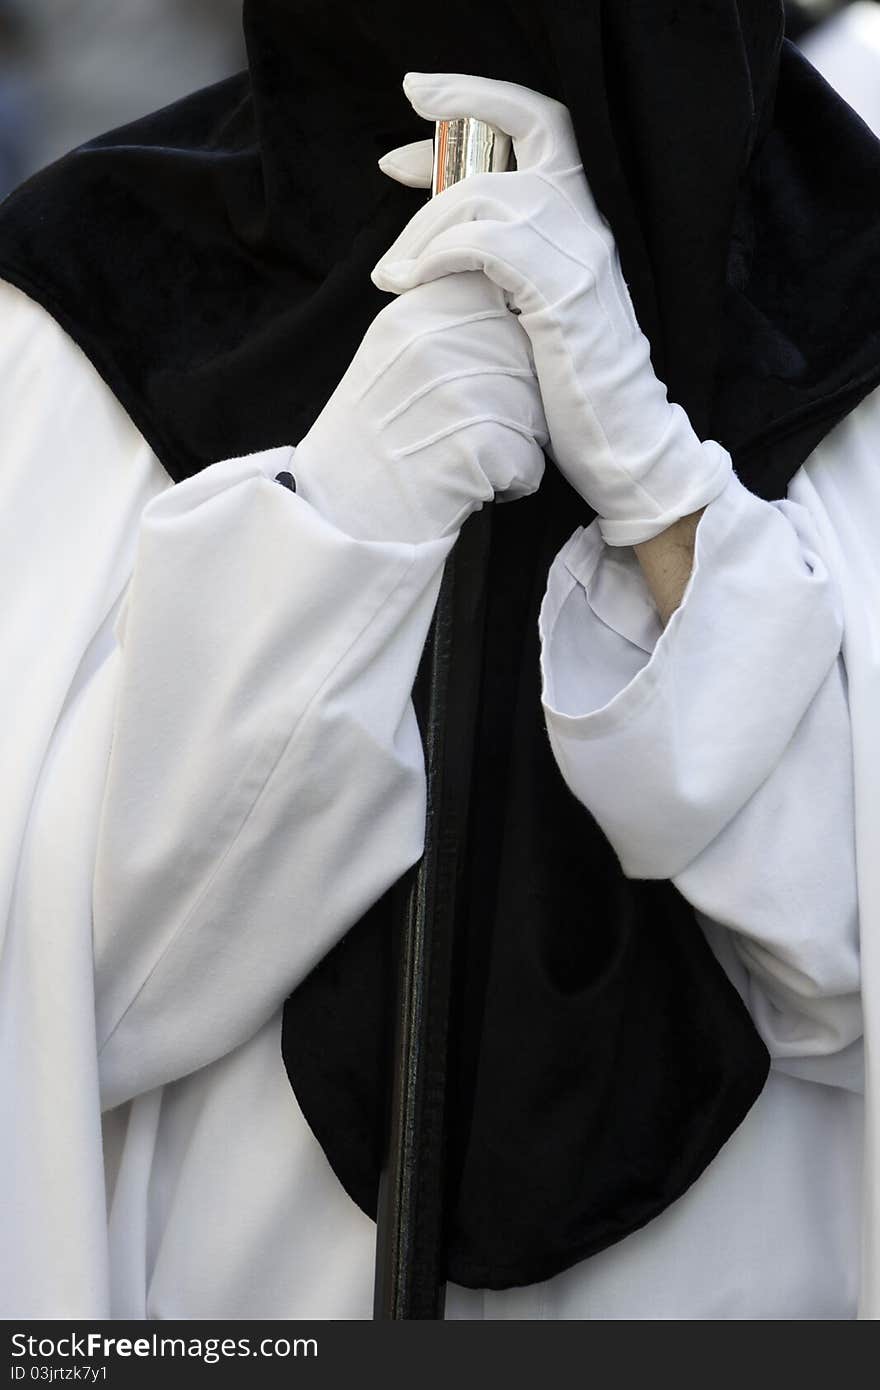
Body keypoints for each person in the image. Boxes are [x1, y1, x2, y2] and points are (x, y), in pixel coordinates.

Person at [0, 1, 875, 1319]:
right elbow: (55, 1018)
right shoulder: (93, 296)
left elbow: (850, 959)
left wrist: (661, 493)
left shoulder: (852, 282)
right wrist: (340, 527)